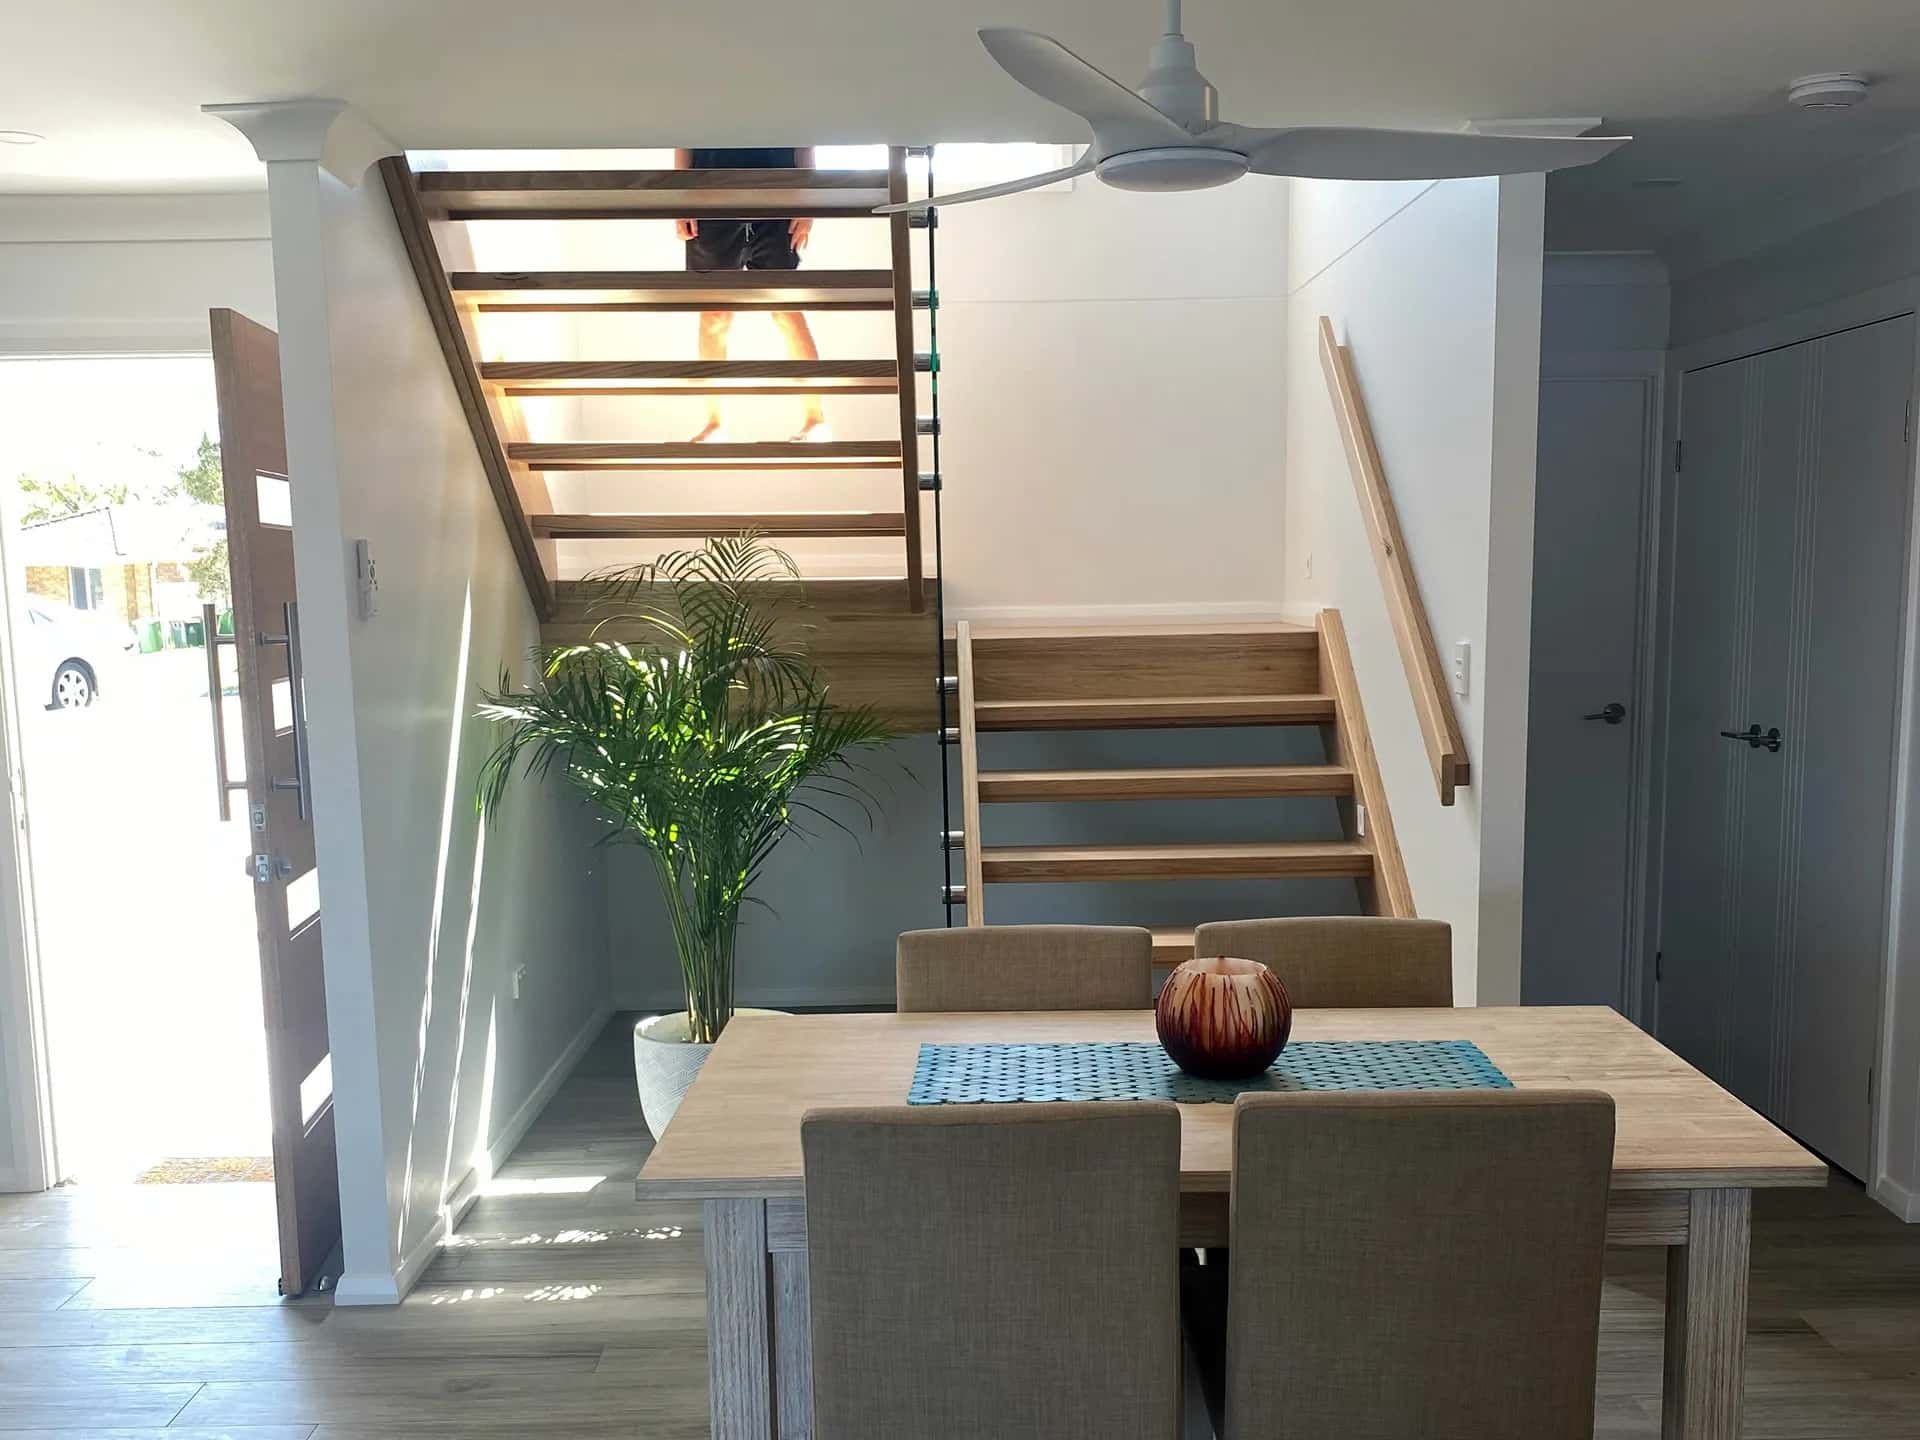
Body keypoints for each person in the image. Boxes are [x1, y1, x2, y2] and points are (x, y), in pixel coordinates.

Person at [674, 146, 829, 444]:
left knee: (786, 310)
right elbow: (686, 128)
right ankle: (715, 423)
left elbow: (804, 126)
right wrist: (681, 198)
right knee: (714, 316)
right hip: (711, 196)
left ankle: (815, 418)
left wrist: (806, 200)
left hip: (776, 194)